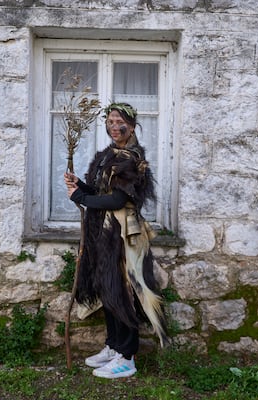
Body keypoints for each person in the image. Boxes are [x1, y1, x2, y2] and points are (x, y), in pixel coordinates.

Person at [64, 102, 168, 379]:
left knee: (123, 291)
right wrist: (80, 185)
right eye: (110, 122)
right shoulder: (107, 155)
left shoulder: (130, 159)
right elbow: (102, 190)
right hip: (104, 232)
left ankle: (127, 357)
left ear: (131, 127)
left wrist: (82, 199)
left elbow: (118, 199)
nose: (114, 126)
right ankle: (113, 346)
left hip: (122, 234)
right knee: (108, 288)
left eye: (119, 122)